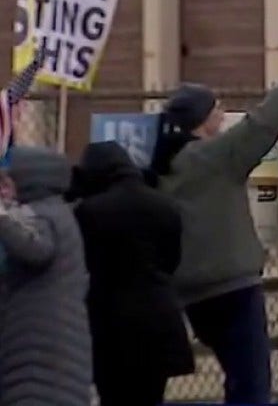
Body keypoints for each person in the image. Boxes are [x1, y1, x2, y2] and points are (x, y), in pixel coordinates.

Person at [154, 31, 278, 404]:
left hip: (189, 294)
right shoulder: (216, 158)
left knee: (234, 378)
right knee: (251, 385)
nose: (224, 114)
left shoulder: (160, 165)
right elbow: (264, 123)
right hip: (234, 288)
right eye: (217, 108)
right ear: (200, 119)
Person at [73, 141, 194, 406]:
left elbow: (85, 263)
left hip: (112, 318)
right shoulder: (165, 205)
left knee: (114, 395)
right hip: (160, 313)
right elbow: (171, 259)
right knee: (151, 394)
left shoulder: (91, 211)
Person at [0, 147, 92, 406]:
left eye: (7, 183)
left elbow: (36, 249)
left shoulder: (42, 215)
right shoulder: (55, 212)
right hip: (45, 343)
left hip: (41, 348)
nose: (4, 192)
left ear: (29, 182)